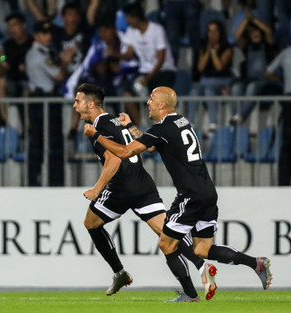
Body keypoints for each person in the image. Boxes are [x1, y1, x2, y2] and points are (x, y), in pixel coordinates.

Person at [84, 86, 273, 302]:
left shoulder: (162, 129)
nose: (148, 102)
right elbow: (153, 146)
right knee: (202, 249)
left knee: (167, 244)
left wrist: (97, 135)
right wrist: (131, 127)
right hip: (208, 192)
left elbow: (125, 152)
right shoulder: (182, 122)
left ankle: (190, 295)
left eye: (152, 99)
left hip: (190, 196)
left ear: (162, 105)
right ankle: (255, 263)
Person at [73, 83, 217, 299]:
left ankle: (119, 272)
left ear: (90, 104)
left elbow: (113, 159)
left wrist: (96, 188)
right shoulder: (113, 119)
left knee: (91, 223)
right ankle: (200, 267)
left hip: (121, 187)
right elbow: (142, 145)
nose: (75, 106)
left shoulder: (98, 127)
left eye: (78, 101)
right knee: (166, 233)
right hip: (142, 183)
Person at [25, 21, 74, 186]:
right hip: (42, 101)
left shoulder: (45, 52)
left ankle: (52, 180)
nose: (48, 37)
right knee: (44, 142)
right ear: (36, 36)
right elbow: (59, 76)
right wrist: (66, 61)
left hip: (47, 99)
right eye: (44, 34)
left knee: (51, 142)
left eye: (49, 33)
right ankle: (40, 180)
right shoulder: (38, 54)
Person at [113, 2, 176, 126]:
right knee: (127, 95)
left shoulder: (156, 30)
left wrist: (147, 79)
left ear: (135, 17)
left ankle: (163, 130)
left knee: (158, 99)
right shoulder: (131, 31)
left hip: (163, 71)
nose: (126, 20)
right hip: (144, 73)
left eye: (128, 17)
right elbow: (129, 54)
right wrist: (114, 54)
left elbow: (161, 59)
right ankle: (141, 129)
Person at [187, 20, 233, 134]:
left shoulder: (227, 48)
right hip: (206, 80)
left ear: (220, 32)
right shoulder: (203, 48)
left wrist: (213, 52)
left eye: (215, 30)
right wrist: (208, 51)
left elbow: (219, 67)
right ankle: (190, 123)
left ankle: (213, 123)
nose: (212, 33)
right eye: (210, 31)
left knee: (208, 88)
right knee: (194, 91)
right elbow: (200, 68)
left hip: (222, 79)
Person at [264, 44, 291, 186]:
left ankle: (284, 182)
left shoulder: (286, 52)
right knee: (287, 142)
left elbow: (268, 72)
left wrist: (282, 80)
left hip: (288, 99)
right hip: (288, 100)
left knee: (287, 142)